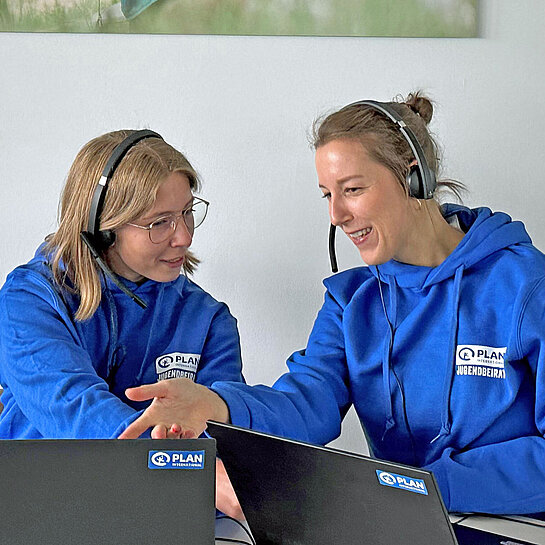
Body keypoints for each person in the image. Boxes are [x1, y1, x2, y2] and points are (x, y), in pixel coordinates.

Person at [119, 93, 545, 517]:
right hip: (399, 522)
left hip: (508, 528)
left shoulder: (525, 285)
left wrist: (426, 487)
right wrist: (219, 405)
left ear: (414, 178)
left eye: (353, 189)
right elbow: (307, 402)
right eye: (327, 194)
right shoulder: (350, 300)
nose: (336, 215)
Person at [0, 129, 244, 440]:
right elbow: (77, 413)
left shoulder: (208, 320)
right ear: (103, 229)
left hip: (167, 489)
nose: (184, 237)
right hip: (38, 487)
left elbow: (225, 437)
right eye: (160, 222)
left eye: (187, 213)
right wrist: (161, 454)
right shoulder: (27, 302)